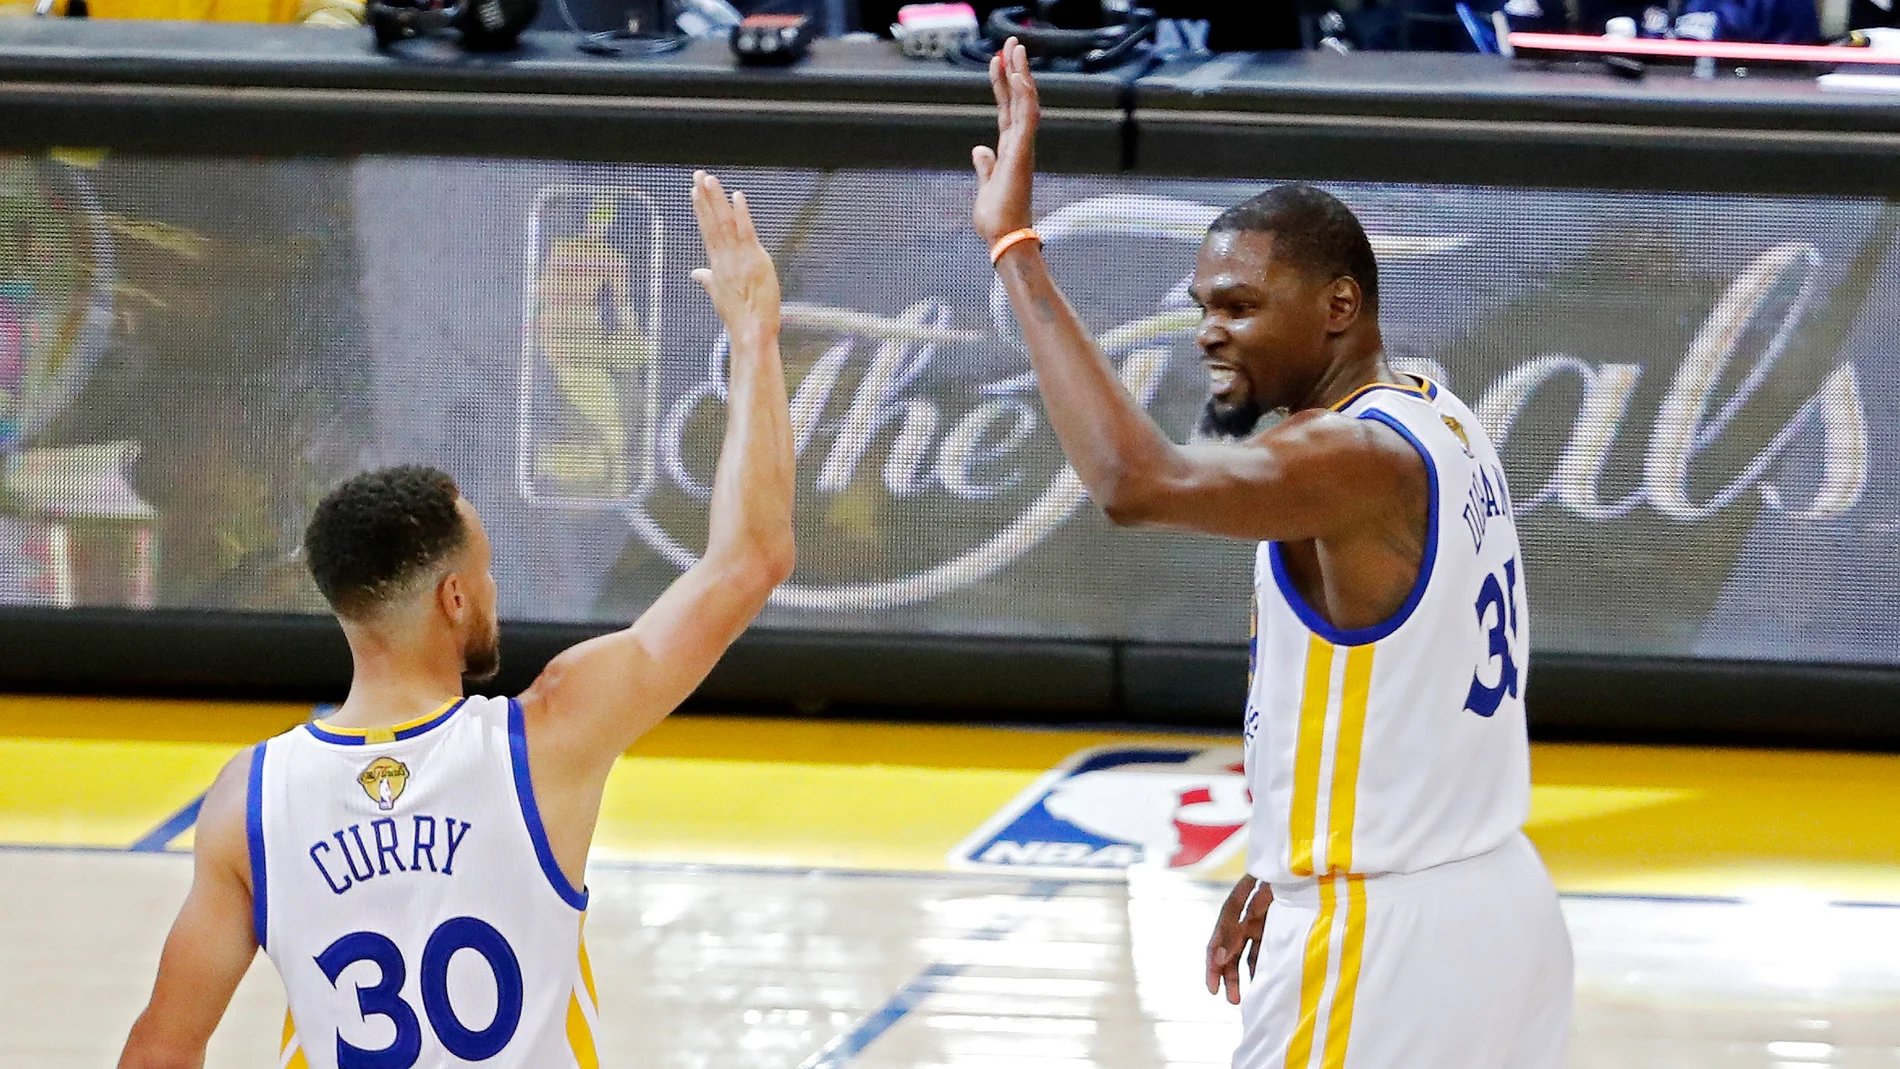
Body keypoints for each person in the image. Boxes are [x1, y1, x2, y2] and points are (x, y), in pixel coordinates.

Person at [970, 39, 1573, 1069]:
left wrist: (1016, 250)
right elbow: (1406, 698)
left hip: (1385, 939)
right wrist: (1285, 858)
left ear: (1338, 307)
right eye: (1203, 306)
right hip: (1495, 901)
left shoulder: (1346, 454)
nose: (1209, 333)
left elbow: (1134, 483)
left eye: (1239, 307)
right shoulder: (1441, 418)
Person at [115, 171, 794, 1069]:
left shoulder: (250, 800)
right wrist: (755, 338)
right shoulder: (548, 735)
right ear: (454, 598)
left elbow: (163, 1048)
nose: (496, 582)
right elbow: (749, 557)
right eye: (486, 564)